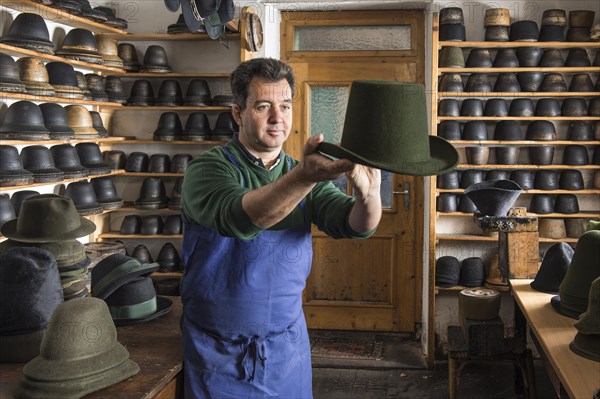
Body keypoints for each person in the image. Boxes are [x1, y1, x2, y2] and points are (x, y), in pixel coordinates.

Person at [180, 57, 382, 398]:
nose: (278, 118)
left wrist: (369, 196)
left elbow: (355, 226)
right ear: (237, 113)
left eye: (285, 106)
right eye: (263, 106)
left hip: (286, 349)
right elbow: (244, 218)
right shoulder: (208, 170)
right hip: (218, 353)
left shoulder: (300, 172)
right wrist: (304, 177)